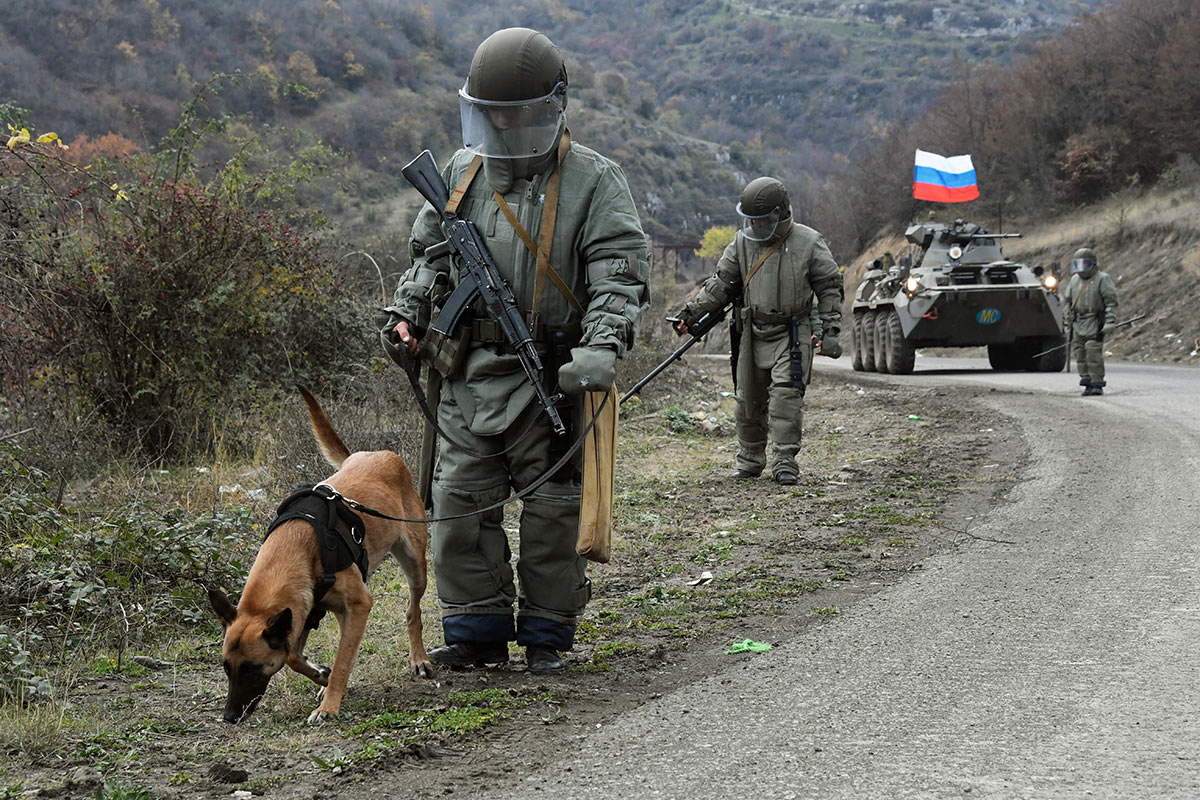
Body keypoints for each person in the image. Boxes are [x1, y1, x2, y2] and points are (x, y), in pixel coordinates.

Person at [380, 28, 650, 672]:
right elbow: (430, 257)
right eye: (491, 109)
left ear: (551, 108)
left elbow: (619, 274)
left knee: (554, 507)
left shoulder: (595, 182)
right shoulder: (459, 171)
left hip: (554, 373)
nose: (502, 121)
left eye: (517, 111)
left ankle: (548, 634)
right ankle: (475, 631)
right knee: (459, 501)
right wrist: (411, 314)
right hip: (467, 371)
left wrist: (602, 346)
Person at [672, 177, 843, 486]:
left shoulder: (810, 242)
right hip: (751, 331)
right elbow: (720, 284)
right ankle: (750, 460)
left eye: (762, 219)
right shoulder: (741, 243)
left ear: (780, 214)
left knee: (785, 399)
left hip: (793, 332)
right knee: (747, 401)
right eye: (752, 220)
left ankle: (784, 461)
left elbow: (829, 288)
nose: (757, 225)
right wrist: (691, 314)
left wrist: (830, 330)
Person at [1062, 247, 1118, 396]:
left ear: (1092, 264)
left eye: (1084, 265)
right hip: (1078, 322)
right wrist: (1068, 321)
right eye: (1078, 265)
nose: (1081, 269)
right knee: (1080, 353)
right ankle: (1086, 382)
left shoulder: (1102, 279)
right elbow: (1068, 302)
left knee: (1093, 353)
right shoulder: (1074, 280)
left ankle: (1097, 384)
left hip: (1095, 321)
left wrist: (1109, 321)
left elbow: (1111, 302)